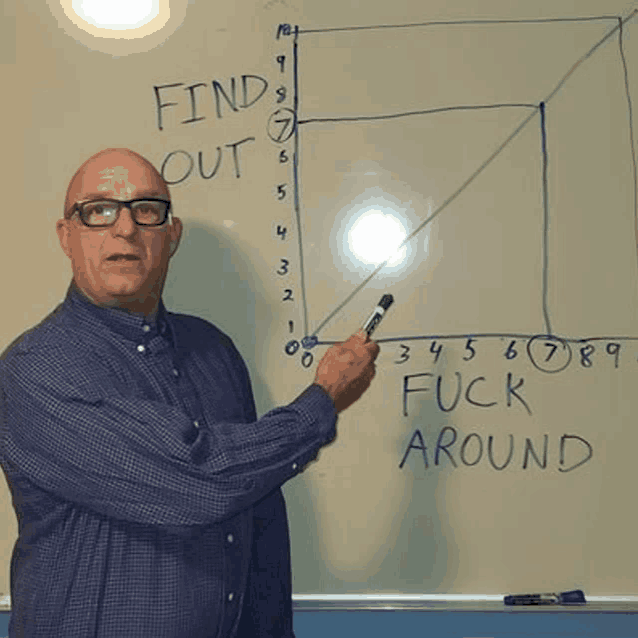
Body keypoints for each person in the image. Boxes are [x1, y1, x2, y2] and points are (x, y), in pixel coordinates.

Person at [0, 148, 379, 638]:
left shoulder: (213, 349)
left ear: (171, 236)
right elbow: (198, 481)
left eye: (147, 210)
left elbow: (255, 513)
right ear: (66, 236)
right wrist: (321, 402)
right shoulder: (35, 372)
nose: (125, 229)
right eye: (99, 211)